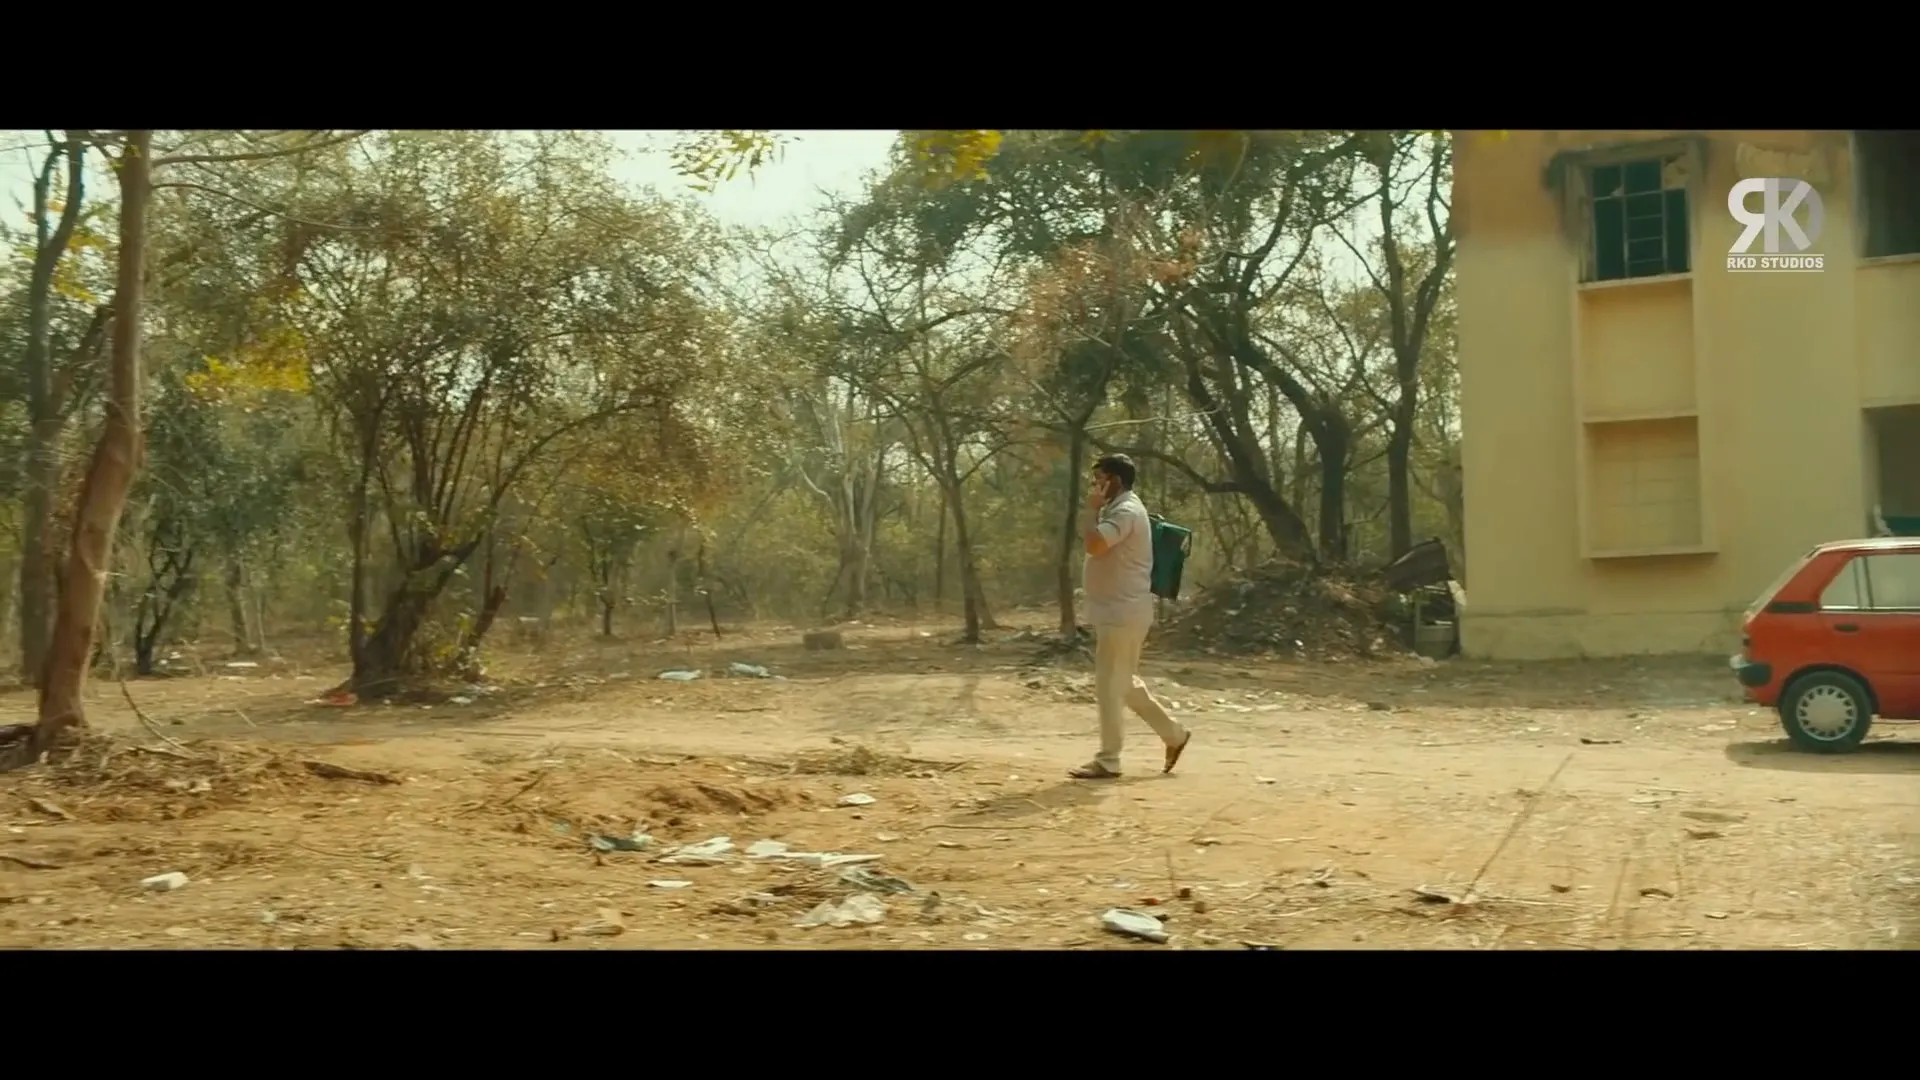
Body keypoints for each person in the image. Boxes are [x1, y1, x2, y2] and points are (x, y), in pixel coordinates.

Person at [1068, 454, 1192, 780]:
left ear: (1116, 481)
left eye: (1100, 479)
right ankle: (1174, 735)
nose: (1095, 485)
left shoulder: (1126, 511)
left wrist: (1090, 510)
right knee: (1123, 683)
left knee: (1109, 686)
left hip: (1122, 613)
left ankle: (1109, 760)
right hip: (1119, 611)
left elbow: (1095, 545)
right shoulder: (1120, 509)